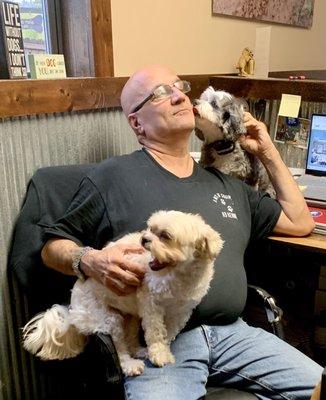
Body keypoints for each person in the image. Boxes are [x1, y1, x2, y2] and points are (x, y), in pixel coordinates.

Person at [41, 64, 322, 400]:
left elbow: (300, 221)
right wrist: (89, 260)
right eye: (161, 92)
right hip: (159, 341)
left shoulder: (226, 183)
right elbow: (51, 245)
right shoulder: (112, 176)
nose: (179, 96)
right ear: (137, 122)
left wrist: (266, 151)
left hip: (236, 334)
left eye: (180, 86)